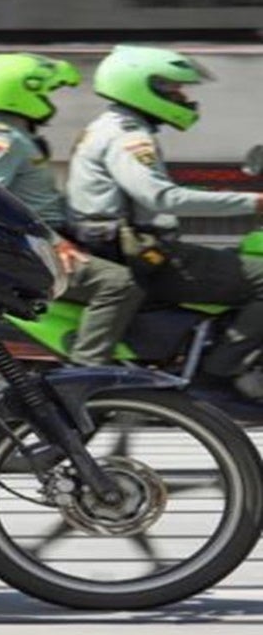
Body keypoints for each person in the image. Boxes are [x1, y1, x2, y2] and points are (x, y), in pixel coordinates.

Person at [67, 44, 263, 421]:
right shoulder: (128, 137)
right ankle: (216, 376)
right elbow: (160, 197)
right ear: (142, 87)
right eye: (172, 89)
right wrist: (251, 203)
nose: (182, 97)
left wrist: (218, 196)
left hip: (130, 247)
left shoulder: (109, 127)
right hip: (144, 255)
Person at [0, 53, 145, 368]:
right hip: (29, 245)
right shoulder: (1, 140)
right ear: (18, 93)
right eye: (43, 92)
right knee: (119, 283)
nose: (48, 100)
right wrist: (52, 240)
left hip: (31, 240)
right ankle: (87, 372)